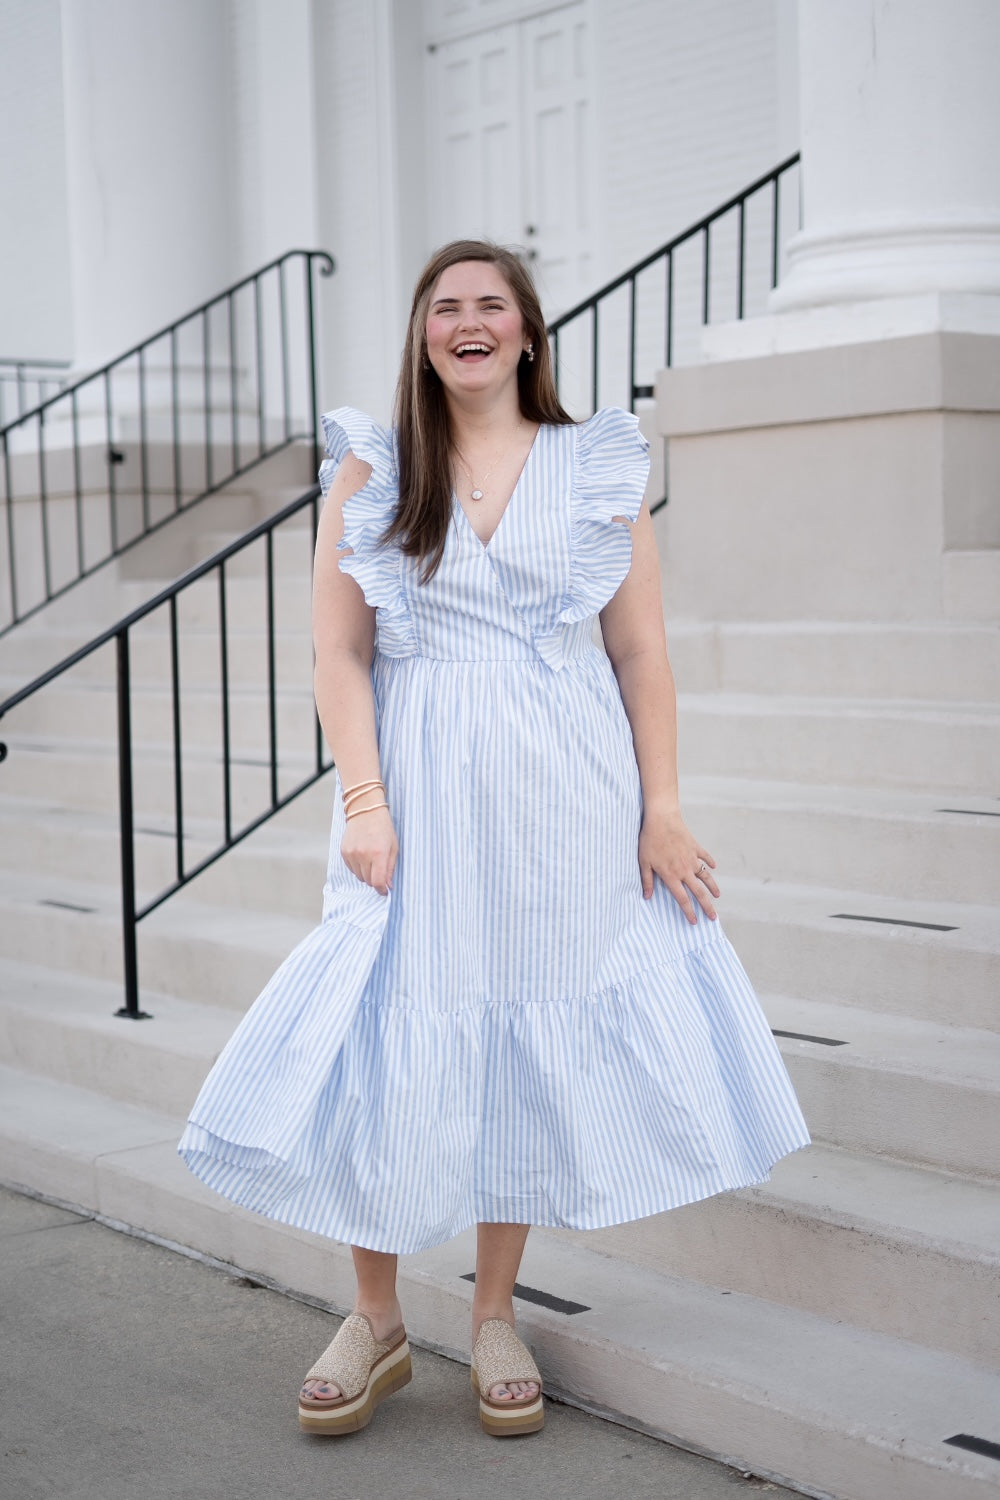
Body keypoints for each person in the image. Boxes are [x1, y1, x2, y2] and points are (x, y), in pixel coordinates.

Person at [179, 239, 809, 1440]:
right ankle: (374, 1318)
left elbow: (639, 653)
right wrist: (364, 803)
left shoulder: (594, 463)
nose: (466, 322)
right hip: (413, 781)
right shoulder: (377, 463)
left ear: (527, 333)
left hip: (565, 785)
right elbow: (339, 653)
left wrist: (660, 808)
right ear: (424, 335)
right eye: (443, 307)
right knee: (384, 1021)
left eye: (490, 305)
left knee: (516, 1024)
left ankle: (493, 1311)